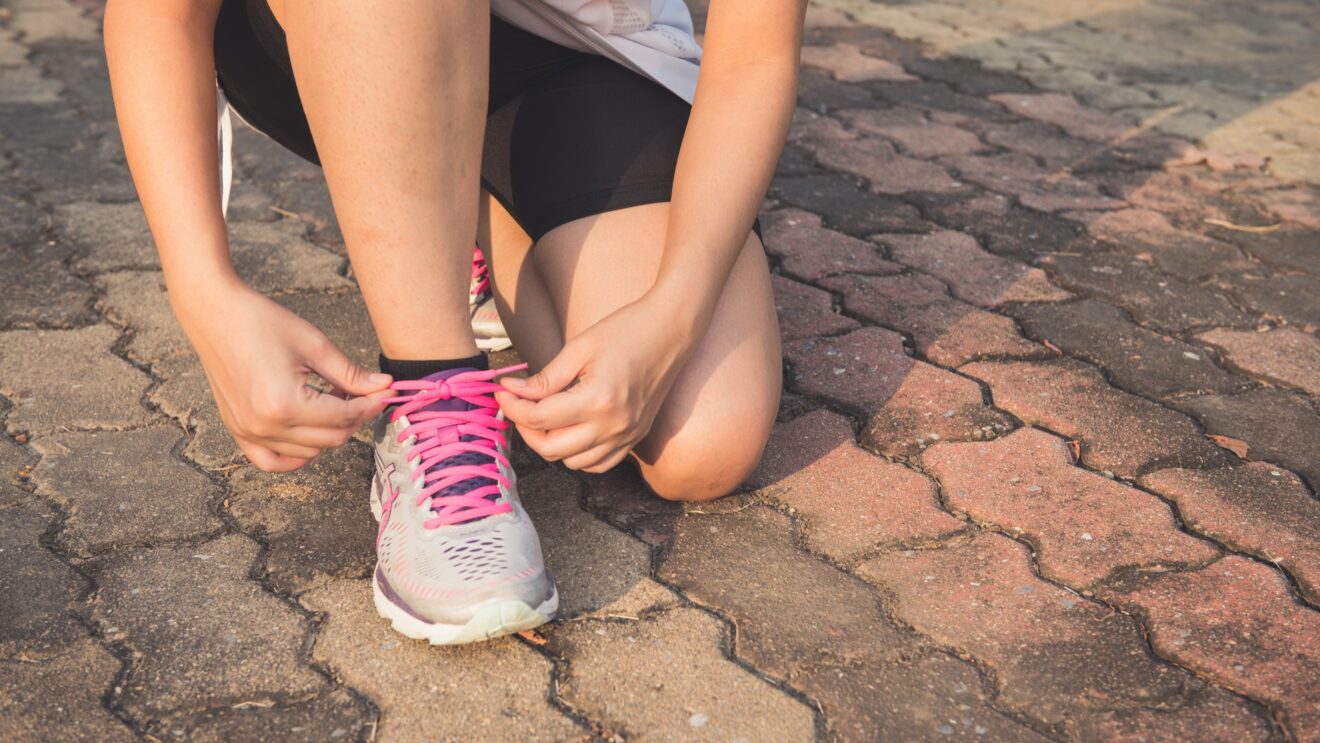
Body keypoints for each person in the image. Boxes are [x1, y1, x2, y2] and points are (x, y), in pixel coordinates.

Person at [103, 0, 803, 644]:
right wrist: (205, 292)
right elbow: (155, 14)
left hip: (581, 51)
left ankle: (459, 206)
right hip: (347, 26)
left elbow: (756, 56)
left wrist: (671, 315)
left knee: (700, 440)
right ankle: (433, 390)